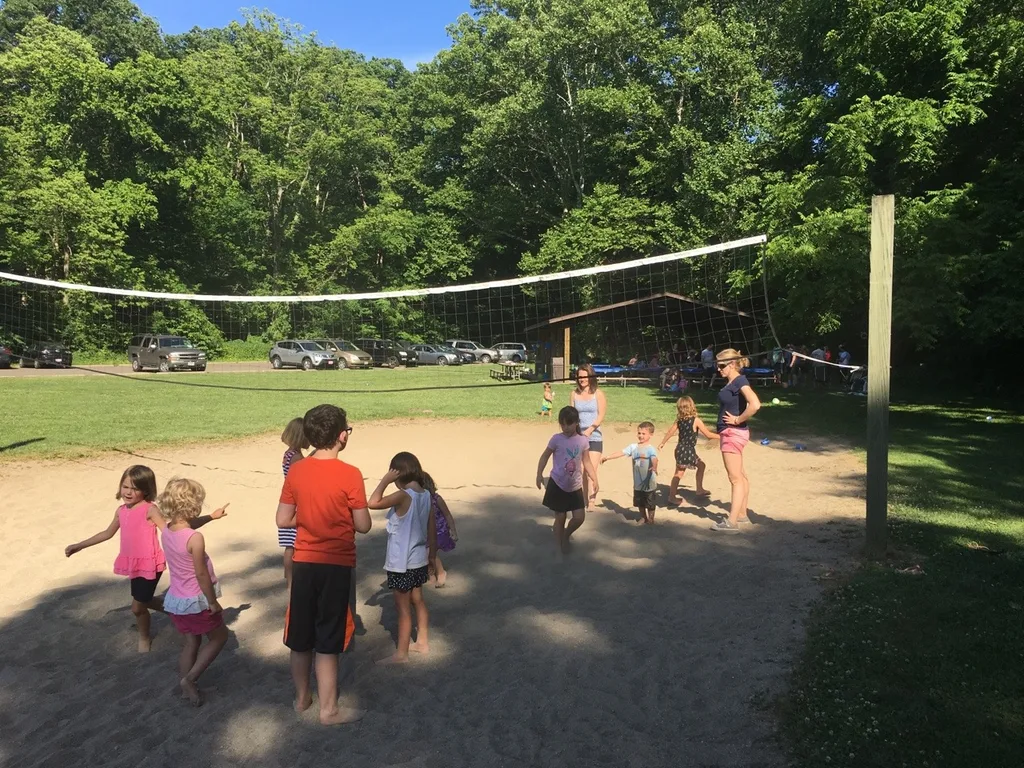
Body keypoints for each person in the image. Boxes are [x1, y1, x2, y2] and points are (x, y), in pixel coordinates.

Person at [276, 404, 371, 725]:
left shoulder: (298, 470)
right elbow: (363, 524)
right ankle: (329, 710)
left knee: (300, 637)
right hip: (336, 565)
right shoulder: (350, 474)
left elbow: (282, 518)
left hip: (303, 563)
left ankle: (302, 698)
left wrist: (311, 515)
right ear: (342, 437)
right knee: (328, 639)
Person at [64, 465, 226, 652]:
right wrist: (79, 545)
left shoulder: (150, 510)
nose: (129, 492)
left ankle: (144, 636)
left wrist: (210, 517)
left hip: (150, 564)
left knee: (137, 607)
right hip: (134, 564)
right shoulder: (121, 511)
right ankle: (177, 611)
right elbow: (107, 533)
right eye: (125, 487)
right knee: (145, 600)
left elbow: (175, 529)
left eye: (135, 488)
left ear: (147, 490)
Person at [158, 477, 229, 707]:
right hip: (197, 600)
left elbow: (185, 527)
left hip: (177, 601)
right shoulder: (195, 539)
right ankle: (190, 679)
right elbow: (201, 574)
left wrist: (211, 517)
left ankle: (185, 683)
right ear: (193, 505)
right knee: (219, 637)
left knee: (191, 642)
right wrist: (212, 602)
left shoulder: (167, 531)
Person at [368, 453, 437, 664]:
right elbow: (431, 528)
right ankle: (422, 641)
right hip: (418, 560)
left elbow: (372, 502)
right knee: (419, 601)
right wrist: (432, 556)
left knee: (403, 609)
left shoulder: (404, 495)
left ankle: (402, 653)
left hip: (401, 563)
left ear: (398, 473)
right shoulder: (426, 494)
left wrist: (384, 481)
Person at [536, 406, 599, 554]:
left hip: (575, 485)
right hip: (557, 483)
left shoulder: (583, 440)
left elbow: (587, 461)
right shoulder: (556, 439)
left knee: (579, 517)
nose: (565, 427)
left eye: (569, 424)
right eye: (562, 424)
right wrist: (539, 474)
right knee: (560, 516)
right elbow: (545, 455)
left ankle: (566, 534)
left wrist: (594, 478)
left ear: (576, 422)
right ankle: (559, 547)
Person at [711, 349, 761, 532]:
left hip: (732, 433)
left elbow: (755, 404)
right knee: (741, 475)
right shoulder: (734, 381)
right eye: (717, 365)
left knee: (735, 479)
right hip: (733, 433)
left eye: (722, 365)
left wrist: (738, 419)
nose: (718, 369)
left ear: (732, 364)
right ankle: (741, 515)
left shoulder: (739, 380)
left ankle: (731, 522)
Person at [658, 396, 719, 504]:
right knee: (679, 473)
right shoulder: (696, 421)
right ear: (692, 406)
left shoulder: (679, 421)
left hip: (680, 449)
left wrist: (662, 442)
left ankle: (699, 490)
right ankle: (672, 497)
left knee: (700, 465)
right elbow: (708, 434)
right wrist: (722, 437)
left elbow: (670, 432)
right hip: (687, 451)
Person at [602, 422, 659, 524]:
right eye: (639, 433)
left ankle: (651, 519)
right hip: (638, 482)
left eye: (643, 434)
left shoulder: (651, 449)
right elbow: (621, 452)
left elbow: (654, 459)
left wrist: (654, 467)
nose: (640, 436)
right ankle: (643, 517)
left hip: (649, 482)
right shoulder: (633, 447)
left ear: (651, 434)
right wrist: (608, 457)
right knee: (640, 502)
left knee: (650, 502)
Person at [279, 417, 310, 589]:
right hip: (297, 502)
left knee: (288, 545)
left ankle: (289, 579)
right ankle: (292, 580)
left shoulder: (289, 453)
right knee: (293, 545)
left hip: (288, 500)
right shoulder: (296, 457)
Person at [570, 363, 606, 506]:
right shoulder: (574, 394)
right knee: (582, 470)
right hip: (579, 437)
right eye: (579, 377)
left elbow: (601, 415)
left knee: (591, 469)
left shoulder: (598, 394)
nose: (582, 379)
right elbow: (572, 415)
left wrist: (590, 430)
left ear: (590, 377)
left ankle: (592, 499)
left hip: (594, 435)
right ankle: (584, 498)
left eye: (584, 376)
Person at [421, 471, 457, 587]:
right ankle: (431, 574)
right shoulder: (418, 500)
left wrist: (453, 531)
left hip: (439, 531)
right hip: (425, 531)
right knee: (424, 552)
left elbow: (447, 515)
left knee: (431, 552)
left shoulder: (437, 499)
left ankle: (441, 572)